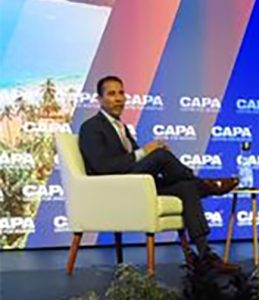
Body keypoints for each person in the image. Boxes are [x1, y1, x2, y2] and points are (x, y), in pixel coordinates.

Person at [78, 75, 240, 273]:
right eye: (111, 94)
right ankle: (205, 185)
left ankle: (205, 255)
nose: (119, 98)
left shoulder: (122, 127)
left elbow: (136, 162)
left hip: (138, 184)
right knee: (160, 155)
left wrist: (147, 154)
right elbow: (102, 166)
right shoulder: (91, 127)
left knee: (186, 187)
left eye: (121, 93)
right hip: (114, 189)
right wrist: (146, 151)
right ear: (99, 99)